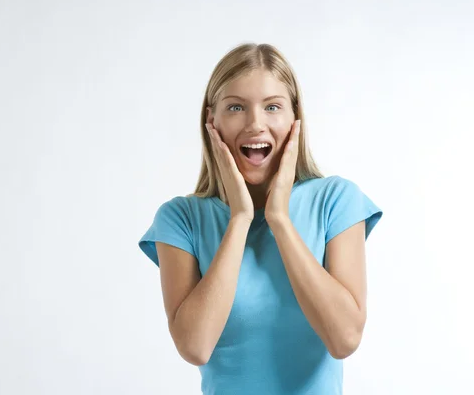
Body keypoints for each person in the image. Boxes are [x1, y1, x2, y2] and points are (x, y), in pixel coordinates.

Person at [138, 43, 383, 395]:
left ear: (295, 117)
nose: (256, 123)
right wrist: (239, 219)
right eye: (236, 107)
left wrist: (279, 219)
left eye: (272, 107)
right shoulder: (181, 219)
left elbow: (344, 338)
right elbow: (195, 346)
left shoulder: (335, 200)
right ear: (212, 120)